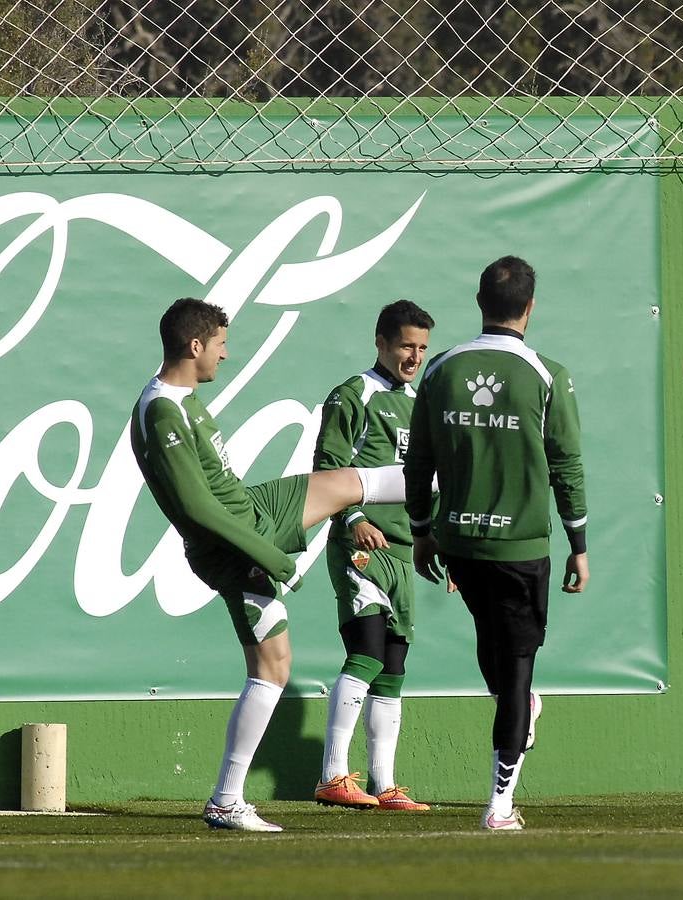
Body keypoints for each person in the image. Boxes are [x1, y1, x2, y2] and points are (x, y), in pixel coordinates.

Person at [130, 297, 412, 832]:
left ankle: (460, 477)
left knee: (351, 481)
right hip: (234, 548)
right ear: (195, 346)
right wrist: (274, 560)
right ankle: (226, 800)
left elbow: (219, 496)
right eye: (220, 344)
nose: (225, 354)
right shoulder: (162, 410)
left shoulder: (181, 399)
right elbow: (197, 509)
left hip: (253, 513)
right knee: (272, 668)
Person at [405, 255, 588, 831]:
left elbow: (420, 459)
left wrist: (420, 529)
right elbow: (567, 463)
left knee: (495, 649)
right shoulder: (546, 374)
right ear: (529, 308)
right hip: (520, 549)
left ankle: (521, 709)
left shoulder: (440, 369)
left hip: (459, 540)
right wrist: (579, 542)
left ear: (480, 302)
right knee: (514, 670)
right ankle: (500, 804)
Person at [311, 300, 435, 813]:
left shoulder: (420, 404)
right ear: (381, 342)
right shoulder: (352, 394)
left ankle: (384, 785)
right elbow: (327, 467)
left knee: (394, 664)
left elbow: (430, 481)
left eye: (423, 348)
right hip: (361, 545)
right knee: (365, 652)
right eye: (407, 345)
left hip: (404, 549)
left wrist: (437, 541)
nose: (414, 356)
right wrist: (351, 519)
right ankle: (333, 775)